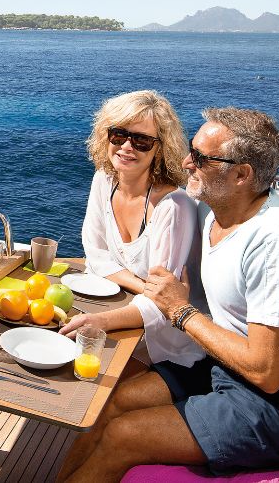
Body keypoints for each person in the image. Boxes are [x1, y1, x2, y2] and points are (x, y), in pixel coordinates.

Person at [59, 107, 279, 482]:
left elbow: (266, 372)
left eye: (201, 158)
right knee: (114, 401)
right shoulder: (216, 212)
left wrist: (181, 311)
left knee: (124, 434)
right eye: (191, 150)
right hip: (226, 368)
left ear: (241, 175)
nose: (186, 162)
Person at [61, 91, 204, 369]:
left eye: (141, 141)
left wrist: (102, 320)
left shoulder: (173, 207)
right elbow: (96, 256)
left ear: (160, 148)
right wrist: (145, 287)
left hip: (165, 342)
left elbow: (164, 304)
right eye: (118, 135)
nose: (127, 146)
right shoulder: (104, 180)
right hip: (123, 309)